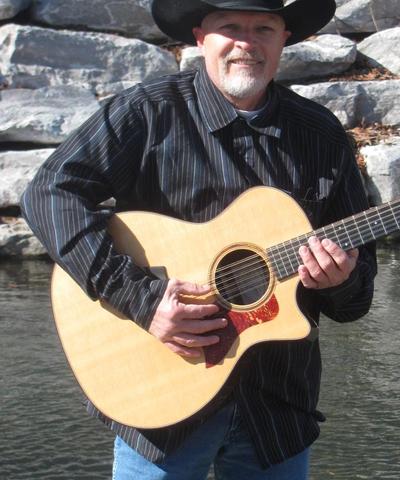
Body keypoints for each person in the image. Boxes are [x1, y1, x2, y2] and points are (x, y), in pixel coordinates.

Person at [21, 0, 377, 478]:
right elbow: (49, 194)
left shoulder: (320, 135)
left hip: (276, 409)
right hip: (162, 404)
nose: (246, 43)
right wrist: (143, 301)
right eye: (230, 27)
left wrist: (339, 280)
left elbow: (354, 301)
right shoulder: (148, 112)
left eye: (263, 28)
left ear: (284, 38)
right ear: (200, 37)